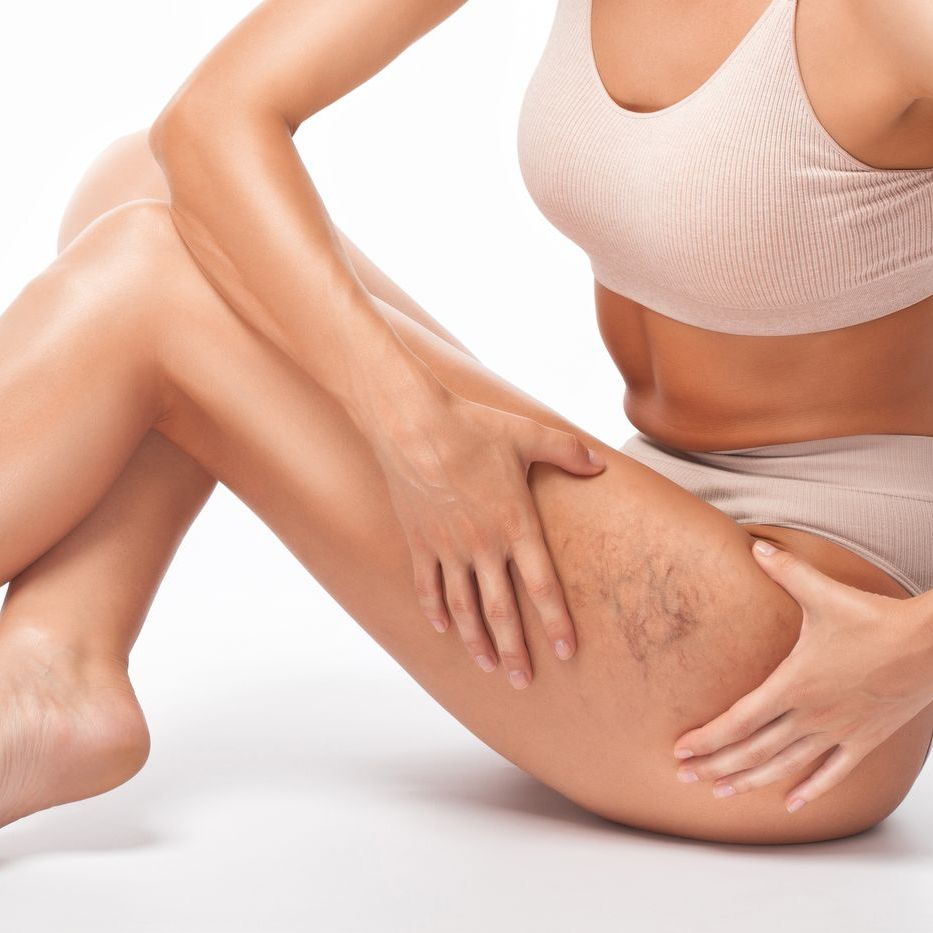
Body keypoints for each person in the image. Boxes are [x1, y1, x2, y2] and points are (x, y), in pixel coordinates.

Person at [1, 0, 931, 846]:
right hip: (664, 526)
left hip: (795, 666)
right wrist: (415, 424)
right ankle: (52, 668)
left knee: (150, 273)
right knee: (151, 186)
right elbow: (210, 121)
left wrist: (906, 657)